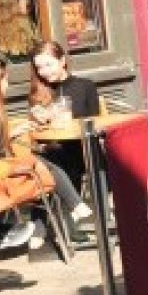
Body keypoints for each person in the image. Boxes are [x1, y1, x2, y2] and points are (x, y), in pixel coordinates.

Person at [0, 58, 91, 253]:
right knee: (47, 165)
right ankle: (74, 206)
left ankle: (52, 220)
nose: (8, 85)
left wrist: (13, 133)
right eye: (4, 81)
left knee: (46, 162)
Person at [27, 40, 99, 195]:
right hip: (51, 151)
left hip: (81, 148)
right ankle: (71, 209)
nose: (44, 72)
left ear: (62, 61)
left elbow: (94, 123)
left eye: (48, 65)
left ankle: (72, 208)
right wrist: (39, 119)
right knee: (47, 161)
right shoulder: (38, 91)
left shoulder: (85, 86)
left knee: (69, 157)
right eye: (39, 67)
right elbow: (36, 136)